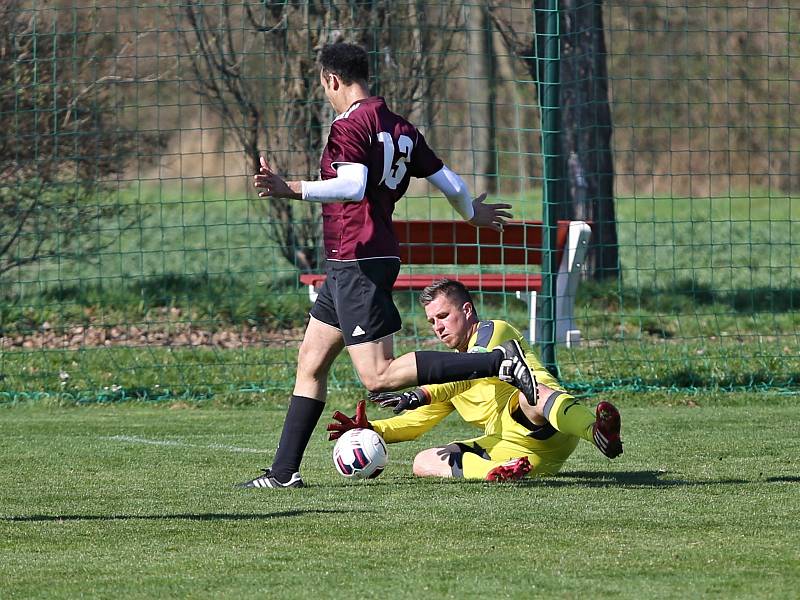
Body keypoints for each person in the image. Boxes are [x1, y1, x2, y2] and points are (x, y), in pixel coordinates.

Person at [239, 42, 538, 489]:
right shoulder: (400, 127)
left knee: (377, 376)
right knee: (311, 361)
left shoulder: (350, 124)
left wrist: (290, 188)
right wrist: (470, 213)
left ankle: (496, 363)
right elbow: (448, 179)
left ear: (331, 80)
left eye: (324, 85)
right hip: (352, 261)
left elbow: (353, 184)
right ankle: (283, 473)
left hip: (360, 259)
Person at [327, 279, 623, 481]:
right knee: (424, 461)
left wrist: (420, 393)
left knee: (529, 396)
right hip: (514, 451)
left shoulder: (495, 332)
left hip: (551, 423)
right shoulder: (445, 373)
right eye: (432, 322)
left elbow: (468, 371)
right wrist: (373, 428)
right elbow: (418, 422)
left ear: (466, 310)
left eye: (443, 316)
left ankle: (595, 430)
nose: (437, 327)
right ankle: (498, 471)